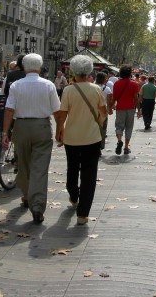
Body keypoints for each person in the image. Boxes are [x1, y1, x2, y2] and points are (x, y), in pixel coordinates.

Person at [1, 53, 60, 224]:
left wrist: (5, 133)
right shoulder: (48, 85)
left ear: (24, 68)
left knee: (23, 165)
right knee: (39, 169)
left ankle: (27, 196)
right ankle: (37, 207)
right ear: (40, 68)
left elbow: (9, 110)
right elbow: (57, 111)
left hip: (21, 127)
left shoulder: (16, 85)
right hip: (42, 127)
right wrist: (60, 131)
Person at [56, 55, 107, 225]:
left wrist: (59, 131)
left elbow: (62, 114)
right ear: (89, 71)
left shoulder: (68, 90)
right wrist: (97, 123)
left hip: (71, 138)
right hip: (92, 138)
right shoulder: (96, 89)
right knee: (89, 175)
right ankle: (83, 214)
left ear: (73, 71)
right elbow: (103, 113)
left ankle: (73, 195)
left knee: (72, 169)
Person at [0, 55, 26, 164]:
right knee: (20, 136)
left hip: (10, 108)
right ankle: (17, 158)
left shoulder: (9, 76)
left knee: (4, 132)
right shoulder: (31, 76)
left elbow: (3, 93)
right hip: (24, 112)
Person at [112, 64, 140, 155]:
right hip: (130, 108)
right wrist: (139, 110)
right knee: (129, 127)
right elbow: (136, 98)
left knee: (119, 126)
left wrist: (111, 106)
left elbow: (114, 97)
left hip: (120, 108)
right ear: (130, 74)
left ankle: (119, 140)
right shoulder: (134, 84)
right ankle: (126, 147)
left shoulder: (116, 83)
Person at [95, 71, 113, 152]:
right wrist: (110, 110)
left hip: (94, 110)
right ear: (103, 79)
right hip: (103, 111)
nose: (106, 79)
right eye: (105, 78)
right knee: (103, 129)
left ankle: (93, 145)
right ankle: (100, 146)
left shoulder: (93, 87)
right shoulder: (107, 89)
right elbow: (109, 102)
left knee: (94, 127)